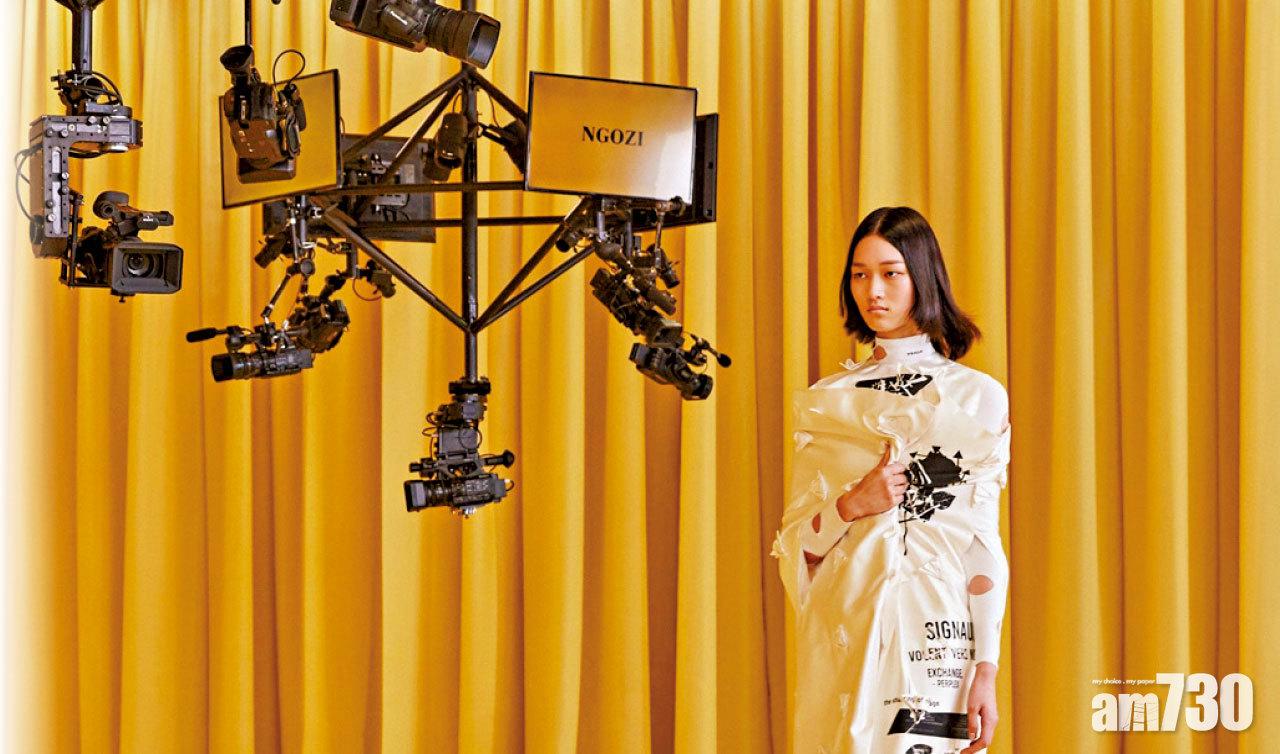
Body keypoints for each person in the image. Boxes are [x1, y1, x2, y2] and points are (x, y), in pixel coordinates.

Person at [772, 206, 1011, 753]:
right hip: (845, 630)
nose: (872, 291)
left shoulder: (975, 397)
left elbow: (981, 541)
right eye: (860, 274)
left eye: (890, 273)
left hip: (937, 631)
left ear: (921, 276)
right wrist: (852, 505)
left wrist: (986, 667)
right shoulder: (830, 401)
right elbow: (795, 548)